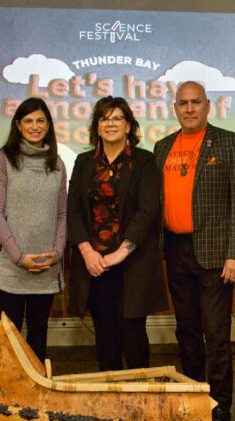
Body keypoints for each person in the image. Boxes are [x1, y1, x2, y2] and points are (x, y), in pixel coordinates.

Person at [153, 81, 235, 421]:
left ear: (208, 106)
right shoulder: (162, 147)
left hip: (215, 255)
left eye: (196, 102)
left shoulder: (230, 142)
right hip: (176, 252)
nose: (189, 109)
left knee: (217, 335)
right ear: (174, 108)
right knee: (187, 332)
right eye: (183, 103)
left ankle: (220, 407)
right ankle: (194, 401)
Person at [68, 96, 165, 371]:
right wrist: (88, 252)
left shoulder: (144, 161)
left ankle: (139, 401)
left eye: (117, 118)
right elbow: (73, 209)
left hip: (132, 263)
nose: (110, 123)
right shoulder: (84, 162)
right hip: (94, 264)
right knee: (104, 333)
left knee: (133, 333)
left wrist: (120, 254)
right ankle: (110, 402)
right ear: (96, 127)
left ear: (128, 126)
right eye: (104, 118)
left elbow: (147, 211)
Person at [0, 97, 66, 362]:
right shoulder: (2, 159)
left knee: (39, 331)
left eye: (40, 120)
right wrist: (19, 257)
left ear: (49, 125)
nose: (35, 126)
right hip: (11, 266)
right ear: (18, 125)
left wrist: (57, 252)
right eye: (28, 121)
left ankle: (35, 390)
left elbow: (62, 214)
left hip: (46, 264)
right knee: (11, 335)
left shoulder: (58, 164)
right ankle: (11, 393)